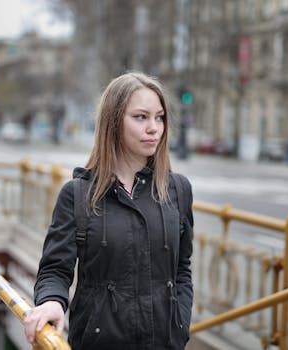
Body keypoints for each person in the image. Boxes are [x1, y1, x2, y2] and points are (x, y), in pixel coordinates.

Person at [23, 71, 194, 350]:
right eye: (141, 117)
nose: (154, 128)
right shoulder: (78, 194)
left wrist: (180, 325)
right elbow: (55, 269)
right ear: (114, 122)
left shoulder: (177, 190)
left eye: (159, 117)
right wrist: (52, 301)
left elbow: (181, 269)